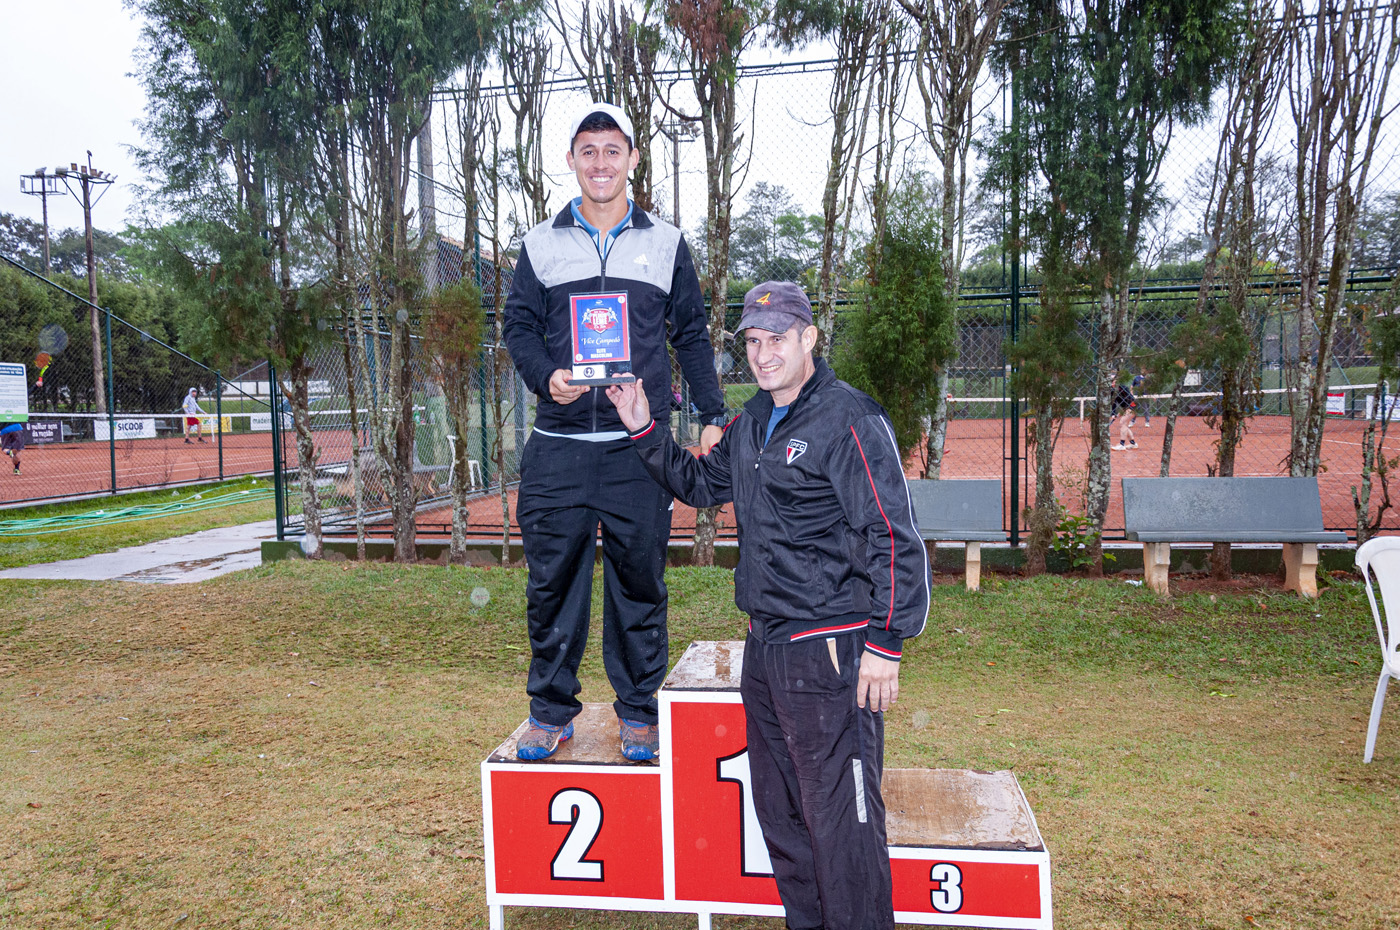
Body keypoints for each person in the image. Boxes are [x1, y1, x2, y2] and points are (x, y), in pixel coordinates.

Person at [607, 281, 930, 930]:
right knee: (783, 822)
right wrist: (643, 426)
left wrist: (886, 643)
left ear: (809, 338)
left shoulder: (848, 418)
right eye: (752, 342)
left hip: (831, 649)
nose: (762, 354)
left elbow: (892, 534)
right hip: (765, 650)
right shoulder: (754, 419)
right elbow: (701, 483)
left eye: (776, 338)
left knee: (843, 828)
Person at [502, 101, 728, 762]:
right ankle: (550, 711)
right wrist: (546, 376)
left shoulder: (667, 243)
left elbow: (691, 334)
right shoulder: (541, 244)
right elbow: (518, 327)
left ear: (632, 157)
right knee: (552, 586)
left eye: (612, 150)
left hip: (638, 451)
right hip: (560, 449)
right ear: (572, 161)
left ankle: (639, 712)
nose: (600, 163)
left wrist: (712, 415)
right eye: (588, 151)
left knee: (639, 584)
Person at [1110, 373, 1137, 450]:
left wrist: (1125, 409)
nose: (1112, 382)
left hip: (1132, 406)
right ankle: (1133, 443)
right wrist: (1113, 414)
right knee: (1124, 424)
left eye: (1113, 381)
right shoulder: (1112, 391)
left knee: (1122, 422)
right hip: (1125, 408)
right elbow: (1114, 403)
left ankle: (1122, 444)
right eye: (1111, 381)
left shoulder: (1122, 387)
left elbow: (1130, 398)